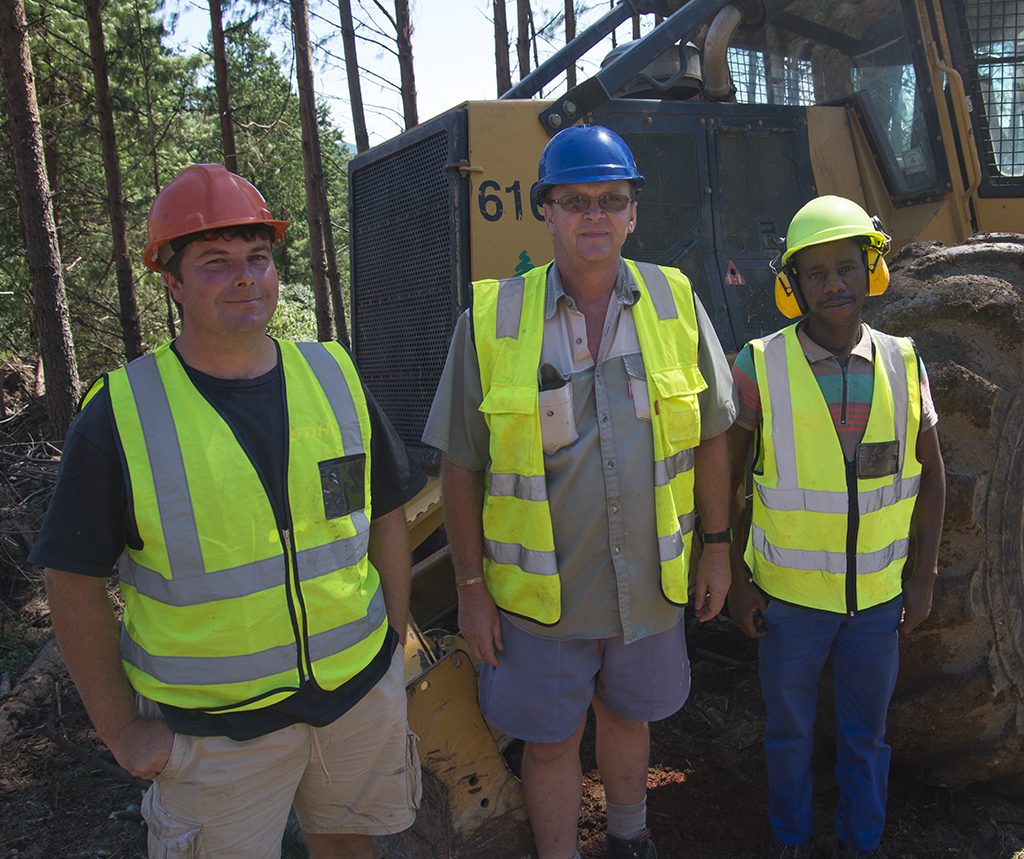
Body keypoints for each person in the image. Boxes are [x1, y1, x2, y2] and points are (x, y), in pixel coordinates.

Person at [30, 164, 425, 859]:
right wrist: (121, 729)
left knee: (349, 848)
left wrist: (389, 639)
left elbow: (386, 511)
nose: (246, 277)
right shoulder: (122, 414)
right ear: (173, 283)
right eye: (216, 263)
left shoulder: (332, 374)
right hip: (213, 735)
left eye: (258, 258)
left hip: (354, 697)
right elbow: (70, 579)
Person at [423, 125, 736, 859]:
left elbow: (714, 431)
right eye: (576, 201)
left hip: (649, 584)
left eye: (611, 199)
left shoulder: (674, 301)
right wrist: (470, 588)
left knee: (630, 720)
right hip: (543, 598)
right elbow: (461, 466)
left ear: (633, 212)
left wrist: (717, 550)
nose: (594, 214)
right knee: (553, 740)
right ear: (547, 211)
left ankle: (630, 840)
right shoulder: (495, 320)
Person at [727, 196, 945, 857]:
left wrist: (925, 576)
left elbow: (933, 476)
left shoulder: (906, 362)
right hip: (788, 605)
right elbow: (729, 486)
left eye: (847, 268)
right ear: (791, 286)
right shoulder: (759, 365)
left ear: (870, 272)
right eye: (815, 273)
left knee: (866, 736)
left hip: (877, 605)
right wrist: (737, 579)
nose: (834, 284)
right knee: (788, 734)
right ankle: (791, 840)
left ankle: (862, 842)